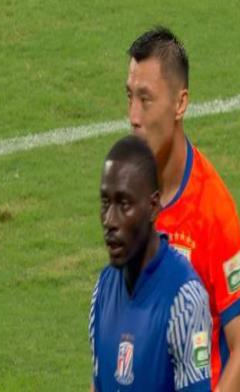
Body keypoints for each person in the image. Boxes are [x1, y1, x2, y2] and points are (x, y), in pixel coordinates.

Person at [125, 27, 240, 391]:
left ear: (180, 104)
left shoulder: (212, 209)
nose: (133, 116)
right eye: (129, 97)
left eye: (146, 99)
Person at [89, 135, 212, 391]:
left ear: (154, 206)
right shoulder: (102, 290)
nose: (110, 220)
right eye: (105, 203)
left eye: (124, 204)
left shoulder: (184, 300)